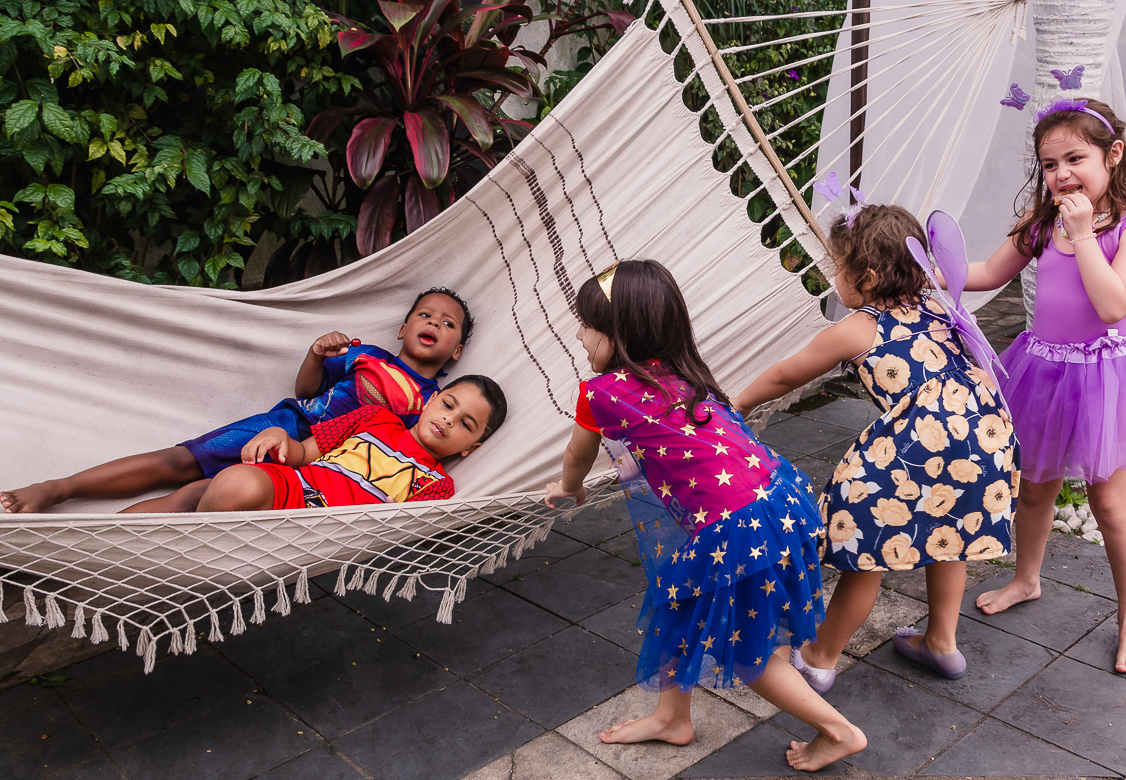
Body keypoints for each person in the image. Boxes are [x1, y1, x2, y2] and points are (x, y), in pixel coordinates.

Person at [543, 260, 866, 772]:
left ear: (618, 334)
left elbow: (575, 459)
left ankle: (839, 730)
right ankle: (673, 719)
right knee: (678, 602)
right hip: (778, 501)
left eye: (588, 324)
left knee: (748, 653)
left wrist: (568, 489)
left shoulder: (599, 394)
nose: (580, 333)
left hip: (734, 530)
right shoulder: (686, 372)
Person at [731, 205, 1017, 693]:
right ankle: (942, 643)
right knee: (950, 532)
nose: (832, 276)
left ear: (862, 276)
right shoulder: (938, 301)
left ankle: (818, 658)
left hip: (920, 444)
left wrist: (735, 405)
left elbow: (784, 375)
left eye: (836, 266)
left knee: (869, 549)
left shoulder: (858, 328)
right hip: (987, 437)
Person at [962, 98, 1126, 674]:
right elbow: (983, 275)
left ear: (1114, 155)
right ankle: (1026, 578)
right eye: (1049, 164)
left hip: (1107, 374)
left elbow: (1112, 305)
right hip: (1044, 368)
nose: (1061, 175)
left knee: (1110, 503)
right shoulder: (1042, 223)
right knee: (1034, 487)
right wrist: (929, 269)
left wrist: (1083, 236)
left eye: (1075, 158)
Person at [1, 288, 473, 514]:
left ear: (456, 352)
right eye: (424, 314)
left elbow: (416, 454)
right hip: (290, 427)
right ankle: (59, 487)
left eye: (448, 323)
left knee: (199, 496)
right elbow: (308, 391)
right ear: (403, 327)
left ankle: (118, 542)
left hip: (327, 475)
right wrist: (315, 354)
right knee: (180, 462)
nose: (434, 322)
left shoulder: (437, 404)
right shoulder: (366, 355)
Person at [193, 375, 506, 512]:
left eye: (466, 424)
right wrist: (280, 437)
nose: (450, 419)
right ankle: (152, 539)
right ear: (431, 401)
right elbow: (303, 454)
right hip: (295, 486)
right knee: (222, 484)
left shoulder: (437, 485)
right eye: (448, 405)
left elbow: (394, 533)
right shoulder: (375, 417)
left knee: (232, 485)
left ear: (471, 447)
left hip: (329, 527)